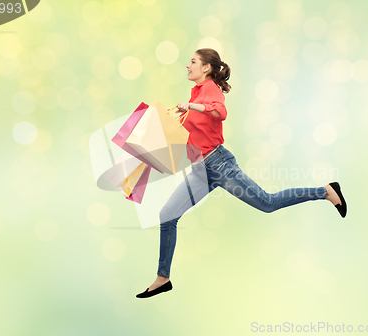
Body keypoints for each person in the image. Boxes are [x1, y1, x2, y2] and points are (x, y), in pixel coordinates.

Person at [135, 48, 347, 298]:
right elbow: (197, 132)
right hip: (200, 170)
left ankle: (326, 191)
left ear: (206, 68)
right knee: (167, 214)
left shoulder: (209, 89)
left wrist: (192, 106)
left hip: (220, 166)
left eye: (193, 61)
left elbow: (220, 112)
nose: (187, 65)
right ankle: (163, 278)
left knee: (268, 203)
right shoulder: (197, 92)